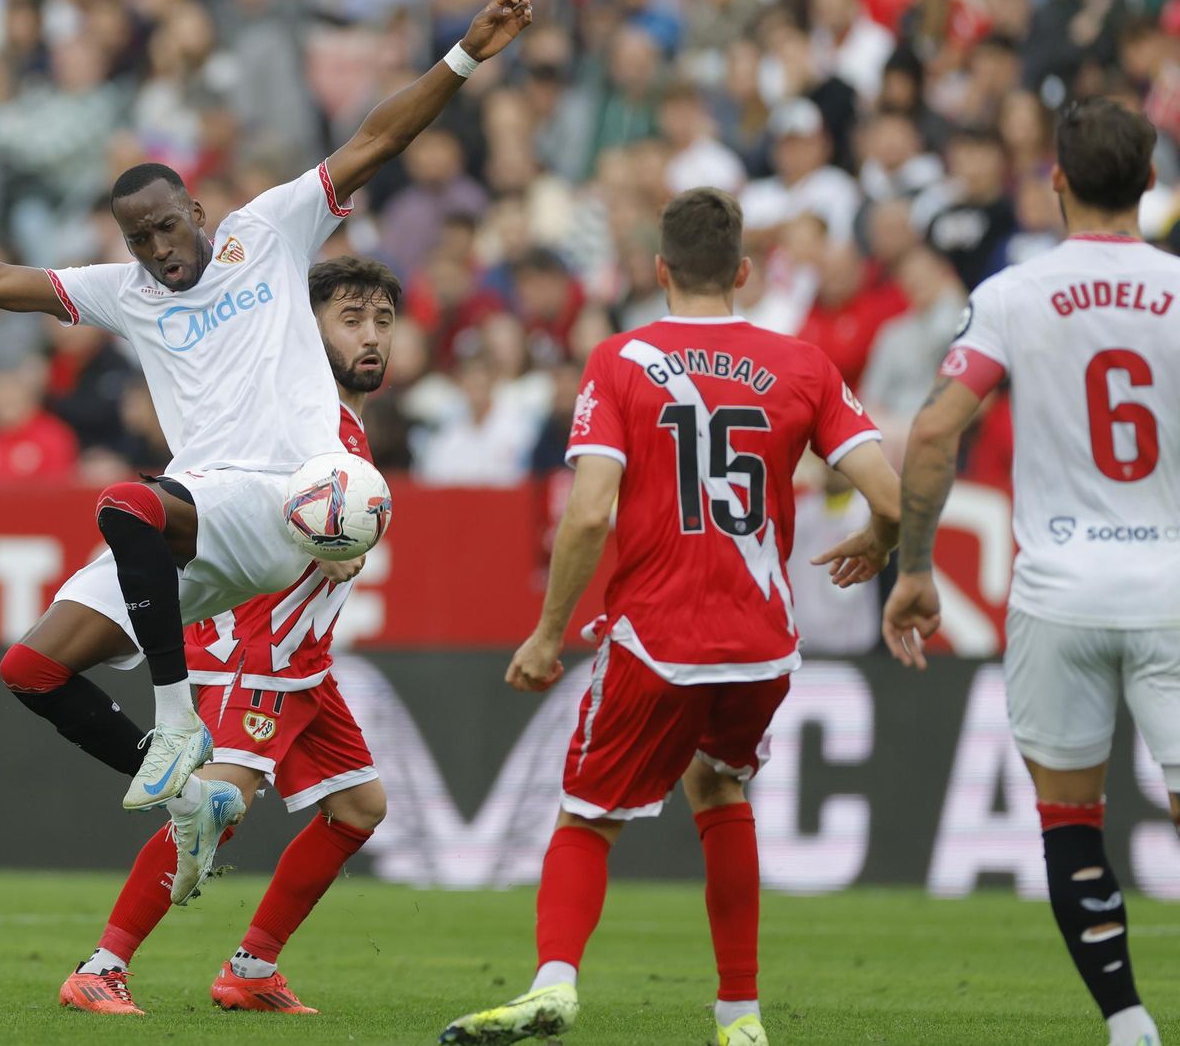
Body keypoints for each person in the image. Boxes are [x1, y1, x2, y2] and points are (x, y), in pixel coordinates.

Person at [0, 0, 533, 889]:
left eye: (168, 227)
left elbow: (377, 138)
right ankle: (188, 795)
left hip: (278, 499)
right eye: (140, 239)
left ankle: (177, 721)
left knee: (126, 502)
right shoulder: (125, 292)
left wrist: (464, 57)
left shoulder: (267, 232)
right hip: (194, 522)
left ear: (197, 211)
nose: (160, 249)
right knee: (32, 667)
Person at [441, 188, 902, 1046]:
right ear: (744, 272)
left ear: (659, 270)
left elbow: (588, 514)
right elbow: (889, 491)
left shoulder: (620, 360)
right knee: (719, 786)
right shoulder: (803, 364)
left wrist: (547, 633)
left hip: (658, 635)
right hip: (762, 643)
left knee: (587, 814)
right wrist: (881, 539)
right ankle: (740, 1017)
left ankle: (553, 984)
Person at [883, 97, 1175, 1046]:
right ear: (1149, 183)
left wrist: (915, 567)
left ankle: (1127, 1021)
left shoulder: (1015, 293)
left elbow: (935, 429)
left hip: (1056, 593)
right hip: (1171, 588)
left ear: (1056, 182)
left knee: (1069, 817)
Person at [59, 257, 398, 1017]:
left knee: (359, 808)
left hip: (303, 658)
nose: (372, 336)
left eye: (382, 320)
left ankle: (251, 968)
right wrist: (316, 541)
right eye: (351, 319)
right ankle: (102, 968)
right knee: (216, 805)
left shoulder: (345, 424)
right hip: (260, 647)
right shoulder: (301, 419)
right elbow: (239, 492)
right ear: (305, 329)